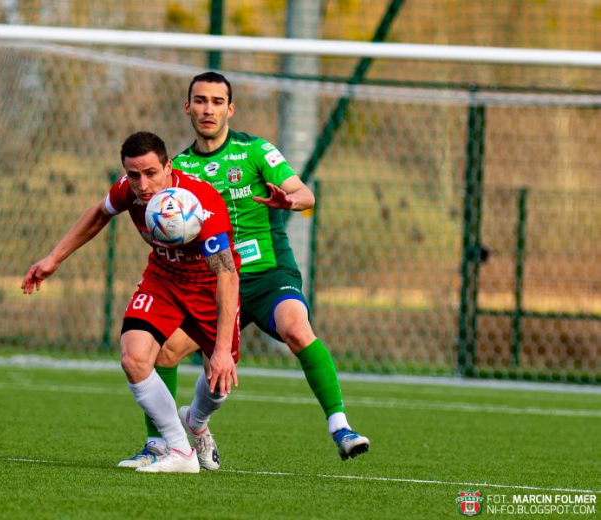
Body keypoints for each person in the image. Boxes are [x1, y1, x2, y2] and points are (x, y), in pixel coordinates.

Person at [120, 72, 369, 470]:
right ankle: (170, 439)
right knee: (163, 352)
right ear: (187, 107)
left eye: (217, 102)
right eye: (200, 100)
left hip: (265, 273)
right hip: (213, 283)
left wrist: (290, 201)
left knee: (296, 328)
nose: (208, 109)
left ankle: (341, 426)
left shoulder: (255, 151)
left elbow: (307, 195)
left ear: (230, 109)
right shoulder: (176, 169)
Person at [22, 131, 241, 473]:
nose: (142, 183)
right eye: (134, 174)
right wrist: (54, 258)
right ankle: (180, 452)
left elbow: (226, 275)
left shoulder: (201, 201)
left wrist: (223, 349)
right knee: (134, 357)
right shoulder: (129, 189)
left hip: (207, 288)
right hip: (163, 281)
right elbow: (98, 213)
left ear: (169, 166)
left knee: (218, 384)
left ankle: (196, 421)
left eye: (151, 173)